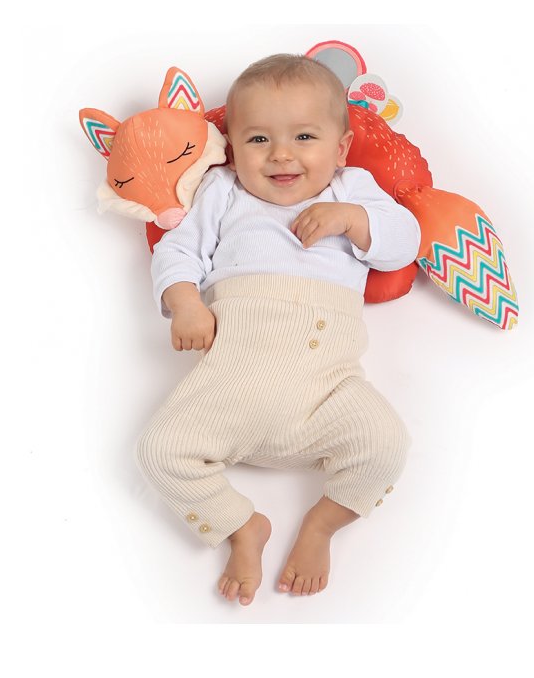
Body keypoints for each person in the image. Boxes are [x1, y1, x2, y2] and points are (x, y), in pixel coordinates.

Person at [136, 53, 420, 606]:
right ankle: (241, 525)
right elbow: (178, 250)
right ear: (232, 147)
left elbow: (404, 241)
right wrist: (185, 301)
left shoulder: (351, 188)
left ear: (340, 148)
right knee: (159, 451)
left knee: (386, 446)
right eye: (259, 139)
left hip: (327, 388)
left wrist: (352, 220)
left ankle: (322, 524)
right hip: (231, 383)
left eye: (304, 137)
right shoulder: (223, 190)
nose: (281, 154)